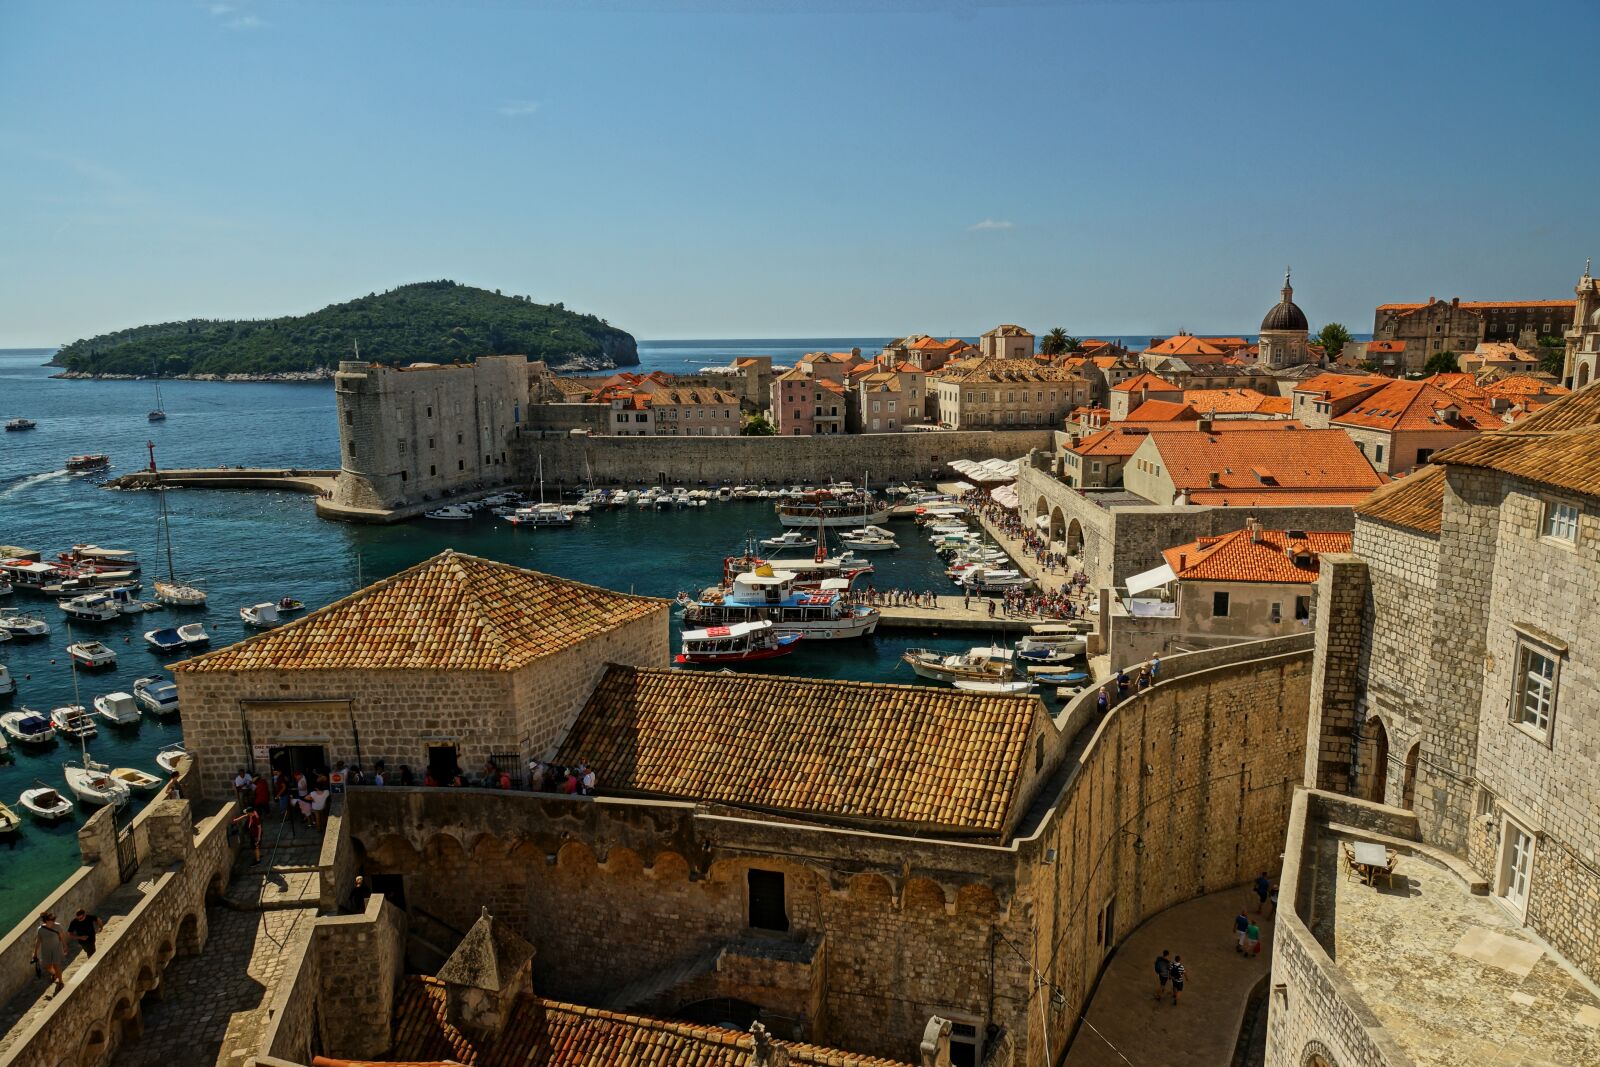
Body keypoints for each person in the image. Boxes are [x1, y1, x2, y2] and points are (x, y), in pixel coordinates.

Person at [30, 913, 67, 991]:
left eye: (54, 919)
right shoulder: (40, 929)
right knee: (48, 966)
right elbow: (38, 941)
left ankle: (60, 982)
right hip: (46, 950)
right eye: (51, 920)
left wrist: (65, 946)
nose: (53, 921)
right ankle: (54, 974)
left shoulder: (58, 926)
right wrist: (35, 952)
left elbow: (62, 936)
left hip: (57, 948)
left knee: (57, 965)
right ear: (46, 920)